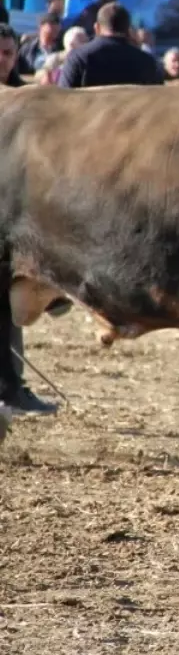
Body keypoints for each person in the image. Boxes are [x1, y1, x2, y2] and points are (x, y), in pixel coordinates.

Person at [0, 23, 62, 415]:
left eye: (7, 53)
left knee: (7, 305)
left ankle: (11, 386)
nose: (2, 60)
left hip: (13, 216)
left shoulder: (27, 101)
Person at [58, 3, 162, 88]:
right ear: (128, 29)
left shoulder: (78, 58)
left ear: (97, 28)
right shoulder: (147, 62)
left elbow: (64, 97)